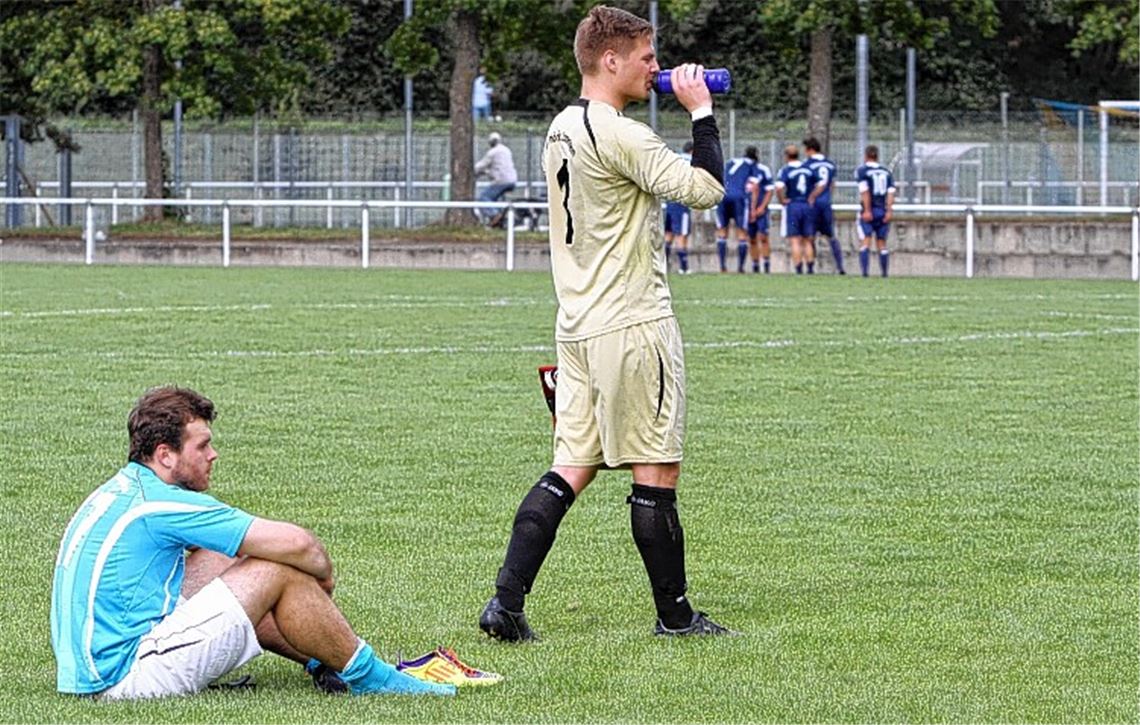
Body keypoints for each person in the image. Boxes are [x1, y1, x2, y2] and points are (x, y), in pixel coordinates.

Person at [478, 4, 733, 641]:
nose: (657, 68)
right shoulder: (622, 134)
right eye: (647, 57)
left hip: (577, 326)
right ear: (611, 60)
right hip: (634, 322)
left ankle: (505, 604)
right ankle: (675, 617)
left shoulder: (561, 126)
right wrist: (700, 111)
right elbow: (706, 188)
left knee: (571, 465)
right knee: (656, 467)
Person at [51, 386, 455, 700]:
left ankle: (324, 660)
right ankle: (374, 678)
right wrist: (321, 583)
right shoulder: (159, 502)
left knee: (227, 557)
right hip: (125, 679)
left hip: (90, 672)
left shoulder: (122, 489)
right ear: (165, 455)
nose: (214, 454)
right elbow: (302, 546)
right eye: (202, 445)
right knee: (275, 568)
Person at [715, 146, 760, 273]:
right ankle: (740, 267)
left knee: (722, 231)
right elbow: (754, 187)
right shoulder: (752, 165)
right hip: (739, 198)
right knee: (742, 232)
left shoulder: (731, 162)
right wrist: (753, 208)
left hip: (723, 196)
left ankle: (722, 267)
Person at [804, 137, 846, 275]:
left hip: (813, 204)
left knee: (810, 236)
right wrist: (827, 197)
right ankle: (840, 267)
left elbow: (813, 184)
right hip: (826, 203)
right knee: (830, 235)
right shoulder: (830, 164)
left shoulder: (807, 164)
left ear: (810, 149)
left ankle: (810, 268)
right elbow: (832, 184)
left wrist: (811, 196)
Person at [854, 144, 896, 277]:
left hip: (870, 209)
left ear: (866, 156)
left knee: (866, 240)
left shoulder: (862, 171)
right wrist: (889, 211)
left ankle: (865, 273)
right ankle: (884, 273)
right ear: (877, 156)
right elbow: (890, 193)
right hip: (882, 210)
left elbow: (865, 191)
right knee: (882, 243)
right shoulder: (886, 172)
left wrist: (867, 210)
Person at [775, 144, 818, 274]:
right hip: (807, 205)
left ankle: (798, 269)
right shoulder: (808, 169)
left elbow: (779, 187)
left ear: (787, 156)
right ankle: (810, 268)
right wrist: (812, 197)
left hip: (793, 206)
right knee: (807, 239)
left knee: (795, 239)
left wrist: (782, 200)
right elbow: (821, 184)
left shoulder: (786, 170)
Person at [663, 141, 695, 274]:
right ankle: (683, 267)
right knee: (681, 235)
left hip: (669, 200)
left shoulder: (674, 159)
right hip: (682, 202)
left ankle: (663, 266)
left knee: (668, 234)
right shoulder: (693, 161)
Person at [475, 131, 518, 223]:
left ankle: (495, 215)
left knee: (483, 198)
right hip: (512, 181)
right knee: (492, 200)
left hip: (501, 181)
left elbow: (481, 165)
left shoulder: (492, 152)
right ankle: (500, 219)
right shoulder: (506, 150)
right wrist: (487, 172)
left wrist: (472, 171)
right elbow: (499, 167)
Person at [745, 156, 776, 273]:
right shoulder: (743, 172)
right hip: (747, 211)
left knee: (763, 237)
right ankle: (755, 265)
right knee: (752, 239)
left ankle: (767, 265)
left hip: (761, 210)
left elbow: (769, 190)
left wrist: (762, 207)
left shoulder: (764, 170)